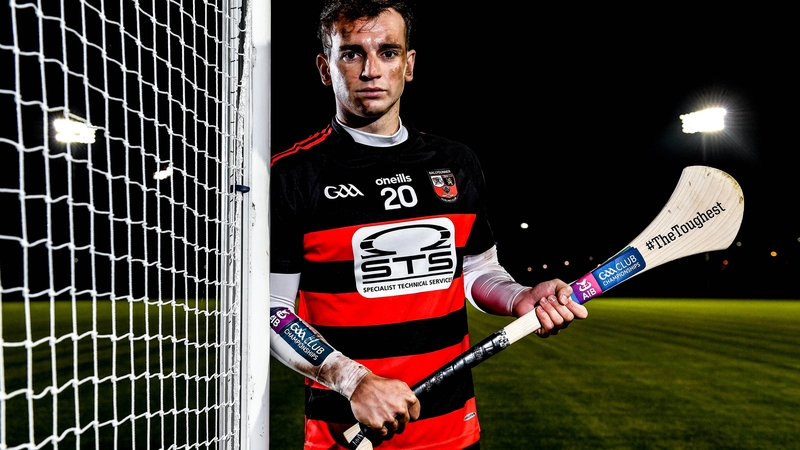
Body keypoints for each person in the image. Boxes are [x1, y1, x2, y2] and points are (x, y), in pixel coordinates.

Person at [269, 1, 588, 448]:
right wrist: (353, 381)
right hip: (345, 435)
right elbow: (272, 310)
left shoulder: (456, 162)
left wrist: (519, 296)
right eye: (351, 53)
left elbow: (478, 270)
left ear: (409, 64)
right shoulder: (291, 176)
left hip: (452, 430)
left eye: (388, 52)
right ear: (325, 68)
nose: (370, 70)